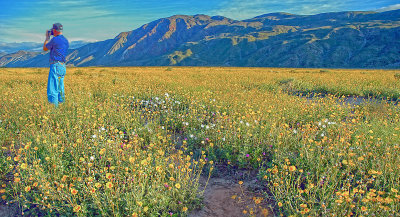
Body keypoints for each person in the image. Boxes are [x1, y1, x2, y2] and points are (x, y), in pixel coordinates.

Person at [43, 23, 69, 108]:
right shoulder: (65, 40)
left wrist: (47, 37)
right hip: (62, 66)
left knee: (52, 89)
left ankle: (54, 110)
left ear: (54, 30)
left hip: (55, 65)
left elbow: (45, 48)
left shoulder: (54, 40)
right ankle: (62, 106)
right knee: (60, 88)